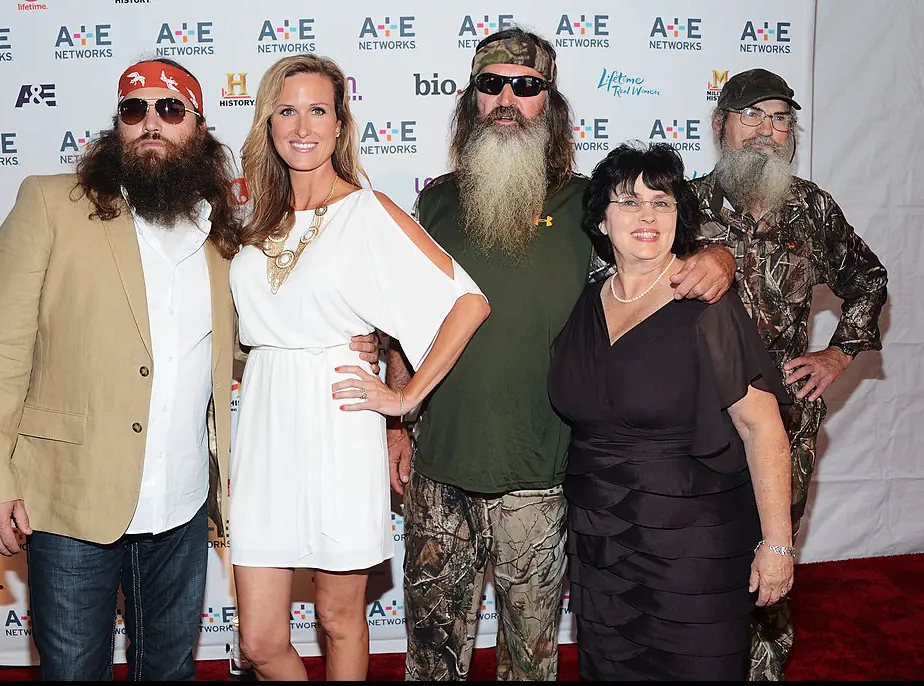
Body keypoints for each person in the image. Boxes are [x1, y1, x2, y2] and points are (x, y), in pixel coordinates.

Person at [0, 58, 378, 680]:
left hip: (180, 508)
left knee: (171, 670)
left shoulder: (223, 235)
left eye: (170, 110)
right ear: (117, 127)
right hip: (72, 500)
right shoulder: (50, 204)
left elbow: (251, 340)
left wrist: (351, 341)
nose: (151, 123)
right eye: (134, 110)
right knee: (72, 670)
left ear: (198, 129)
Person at [384, 27, 737, 681]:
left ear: (551, 102)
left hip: (541, 479)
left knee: (531, 660)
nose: (508, 99)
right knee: (432, 661)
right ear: (472, 100)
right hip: (441, 477)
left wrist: (718, 255)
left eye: (527, 85)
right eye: (492, 85)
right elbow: (401, 321)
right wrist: (396, 425)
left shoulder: (590, 205)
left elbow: (664, 258)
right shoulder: (434, 201)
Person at [228, 53, 490, 682]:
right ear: (267, 123)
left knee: (340, 619)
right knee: (260, 641)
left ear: (341, 126)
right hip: (264, 426)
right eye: (286, 110)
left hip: (338, 421)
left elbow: (467, 302)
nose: (302, 125)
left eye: (318, 110)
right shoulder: (256, 225)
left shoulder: (368, 212)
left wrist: (404, 400)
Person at [548, 141, 795, 681]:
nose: (647, 215)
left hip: (690, 544)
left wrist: (778, 544)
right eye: (629, 201)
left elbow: (762, 427)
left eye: (662, 203)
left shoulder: (705, 305)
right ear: (601, 219)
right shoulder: (587, 302)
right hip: (600, 539)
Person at [696, 68, 889, 681]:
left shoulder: (812, 209)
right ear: (721, 124)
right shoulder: (678, 205)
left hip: (785, 419)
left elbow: (869, 278)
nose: (766, 131)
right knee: (696, 563)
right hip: (695, 422)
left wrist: (837, 353)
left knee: (773, 558)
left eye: (780, 119)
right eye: (752, 115)